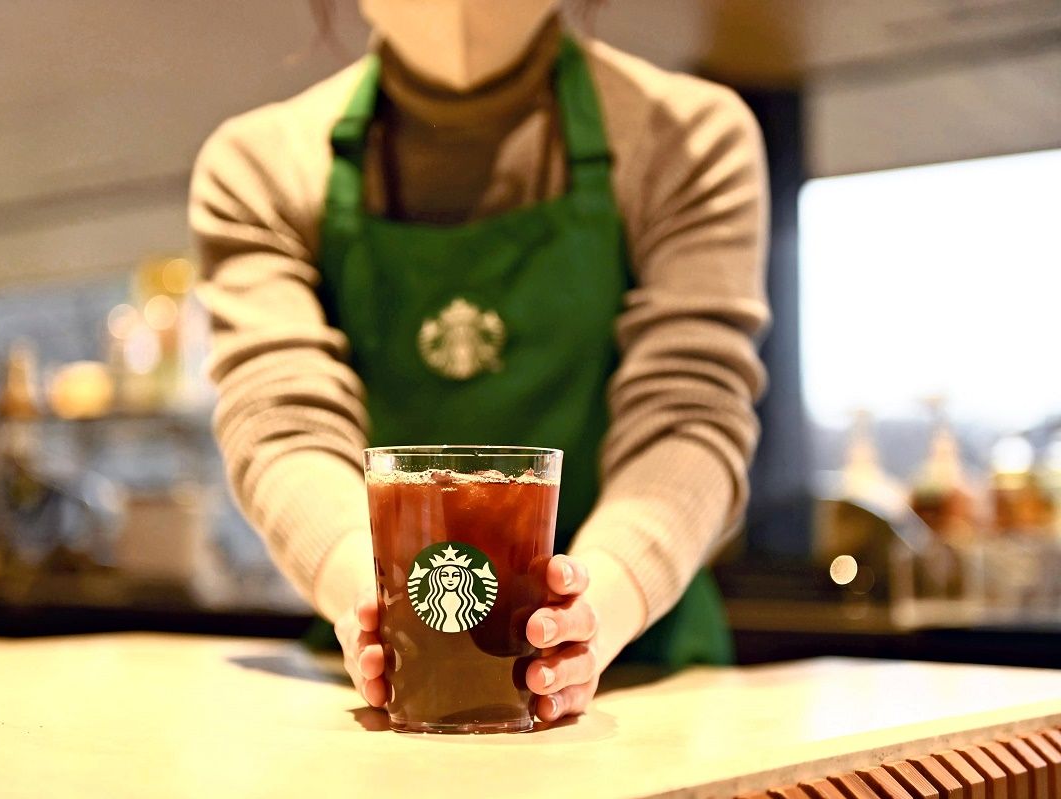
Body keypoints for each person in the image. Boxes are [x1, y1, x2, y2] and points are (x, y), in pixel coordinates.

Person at [189, 0, 769, 724]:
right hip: (387, 668)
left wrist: (592, 613)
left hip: (645, 661)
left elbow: (691, 412)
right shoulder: (259, 166)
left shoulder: (686, 138)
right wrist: (374, 606)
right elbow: (281, 422)